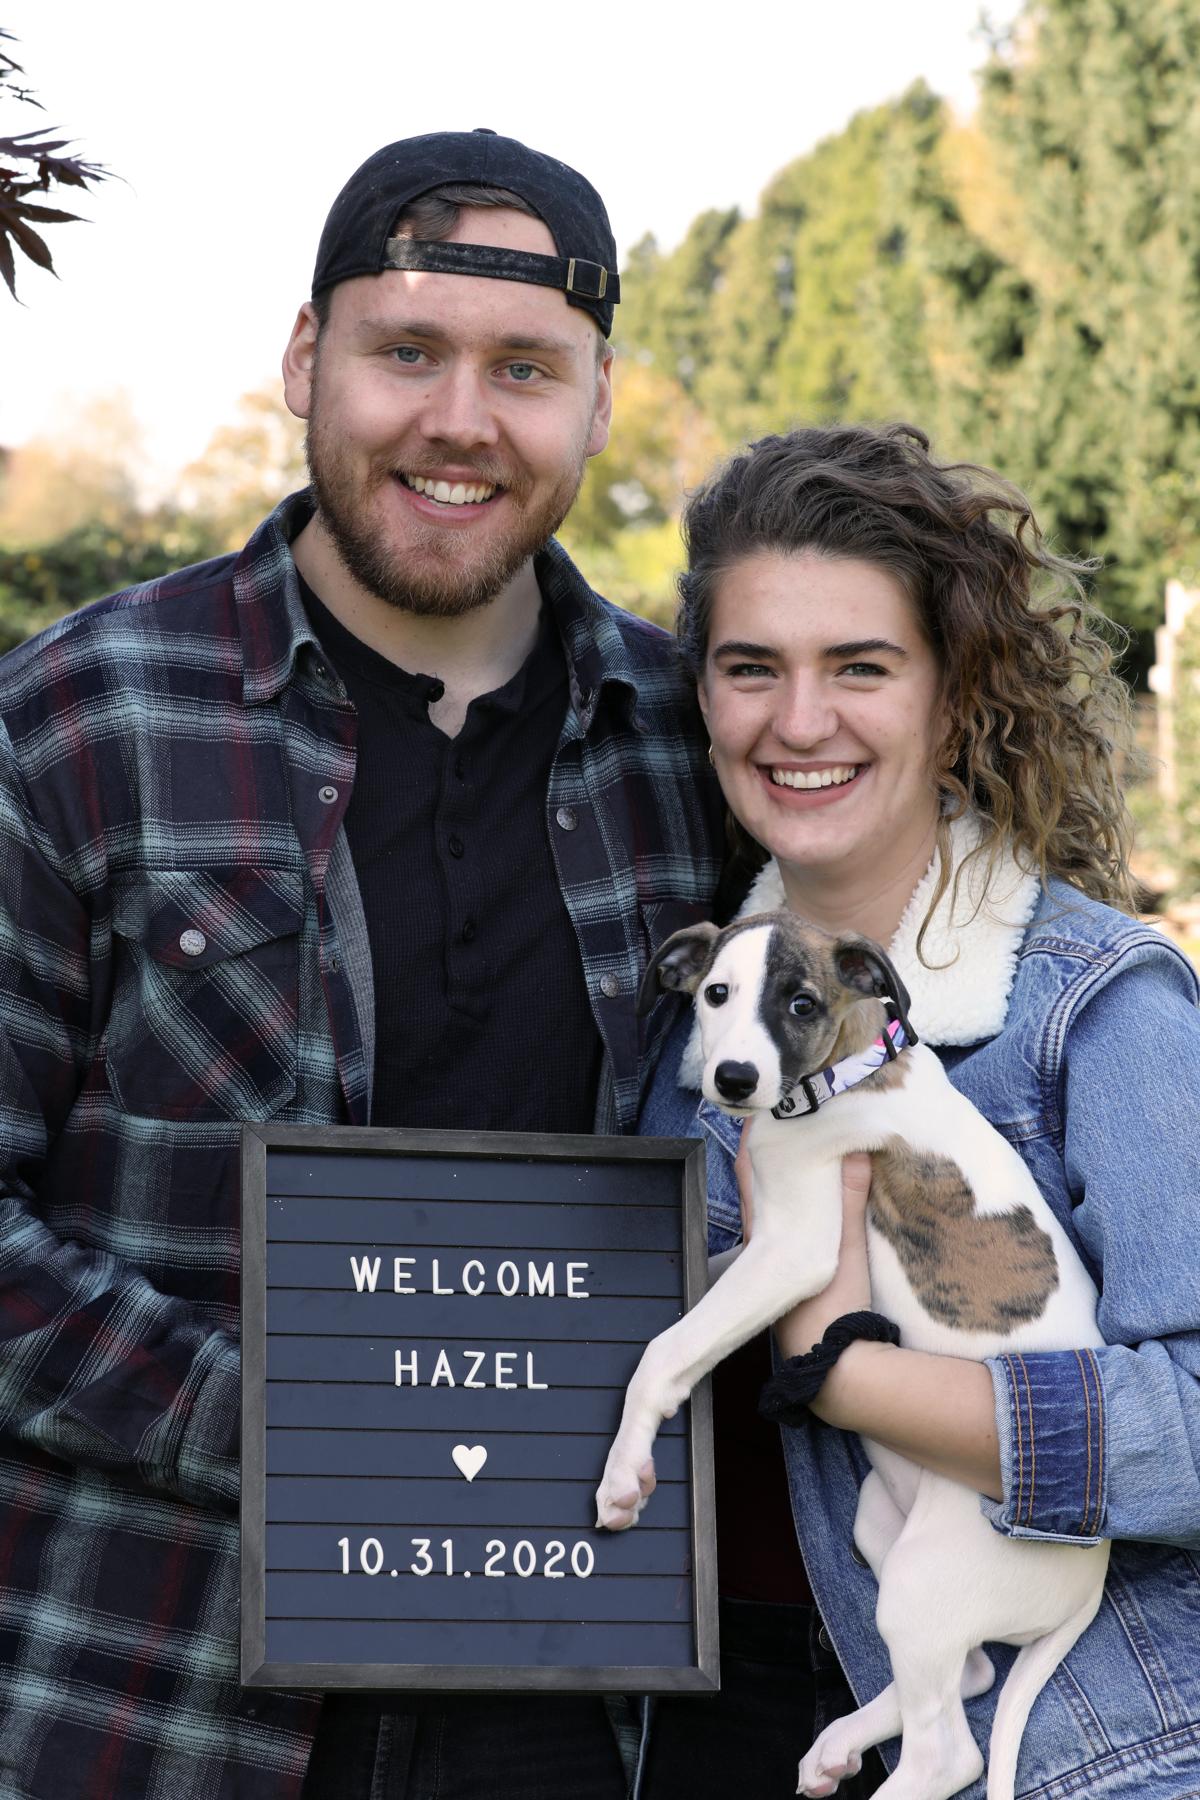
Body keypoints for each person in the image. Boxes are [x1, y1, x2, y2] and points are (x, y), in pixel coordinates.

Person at [0, 130, 724, 1800]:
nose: (461, 420)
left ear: (598, 402)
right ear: (305, 361)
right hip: (149, 1698)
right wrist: (289, 1424)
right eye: (407, 351)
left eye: (525, 369)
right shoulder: (83, 718)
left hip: (580, 1705)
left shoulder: (702, 754)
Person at [637, 422, 1200, 1800]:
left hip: (1079, 1753)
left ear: (955, 701)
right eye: (751, 667)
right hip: (726, 1733)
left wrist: (842, 1357)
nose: (801, 720)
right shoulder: (689, 1033)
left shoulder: (1093, 1009)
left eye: (862, 668)